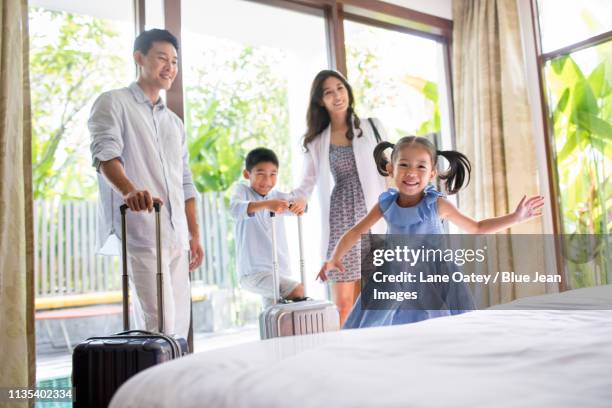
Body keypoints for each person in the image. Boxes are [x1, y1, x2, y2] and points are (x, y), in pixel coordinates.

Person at [318, 136, 544, 329]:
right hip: (394, 275)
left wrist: (516, 217)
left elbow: (476, 228)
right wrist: (333, 258)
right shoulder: (386, 204)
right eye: (404, 165)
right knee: (375, 327)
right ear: (390, 169)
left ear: (432, 173)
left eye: (421, 166)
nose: (411, 173)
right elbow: (355, 231)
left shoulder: (436, 205)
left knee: (440, 326)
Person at [89, 29, 203, 339]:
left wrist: (194, 234)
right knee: (160, 328)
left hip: (178, 237)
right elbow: (105, 156)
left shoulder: (174, 123)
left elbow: (186, 182)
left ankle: (176, 387)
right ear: (139, 58)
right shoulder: (112, 103)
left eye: (175, 61)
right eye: (162, 58)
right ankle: (155, 387)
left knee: (179, 329)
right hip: (142, 233)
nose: (170, 67)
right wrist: (129, 190)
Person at [290, 70, 388, 326]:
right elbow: (305, 186)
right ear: (320, 101)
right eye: (328, 92)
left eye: (340, 88)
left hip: (374, 214)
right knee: (344, 304)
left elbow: (391, 168)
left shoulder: (372, 126)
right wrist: (288, 202)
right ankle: (344, 355)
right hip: (341, 218)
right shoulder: (316, 141)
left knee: (376, 297)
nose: (336, 96)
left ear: (348, 91)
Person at [230, 148, 305, 308]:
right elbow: (235, 209)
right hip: (253, 273)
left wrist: (300, 204)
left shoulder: (277, 196)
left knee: (275, 316)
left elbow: (301, 205)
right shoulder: (242, 191)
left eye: (273, 174)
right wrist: (266, 205)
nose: (267, 180)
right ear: (247, 174)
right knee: (297, 290)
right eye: (261, 174)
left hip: (278, 270)